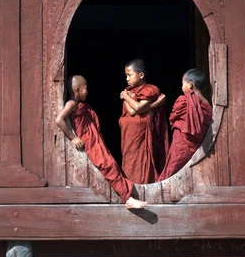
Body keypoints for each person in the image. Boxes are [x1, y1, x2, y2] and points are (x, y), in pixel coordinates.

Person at [56, 75, 147, 209]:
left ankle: (128, 196)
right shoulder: (71, 104)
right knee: (107, 165)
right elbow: (59, 120)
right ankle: (128, 199)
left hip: (94, 139)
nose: (87, 92)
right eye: (85, 89)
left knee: (111, 163)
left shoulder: (81, 105)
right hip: (88, 141)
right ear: (77, 90)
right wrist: (73, 138)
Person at [156, 69, 213, 181]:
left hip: (182, 145)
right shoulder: (208, 106)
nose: (182, 87)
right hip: (199, 149)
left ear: (190, 84)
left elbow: (173, 117)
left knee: (171, 170)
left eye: (183, 84)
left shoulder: (183, 101)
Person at [119, 59, 169, 184]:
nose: (127, 79)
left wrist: (126, 97)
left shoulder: (150, 89)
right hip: (130, 136)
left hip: (142, 135)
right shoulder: (128, 91)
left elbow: (137, 108)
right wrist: (156, 104)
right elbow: (131, 111)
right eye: (126, 75)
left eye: (129, 75)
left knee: (143, 164)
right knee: (130, 163)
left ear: (141, 75)